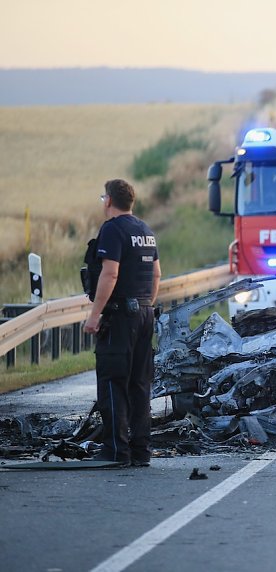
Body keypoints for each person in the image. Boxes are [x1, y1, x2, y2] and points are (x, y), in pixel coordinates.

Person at [83, 179, 160, 468]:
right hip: (144, 314)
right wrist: (146, 305)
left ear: (108, 201)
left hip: (120, 318)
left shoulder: (113, 230)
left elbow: (110, 274)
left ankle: (116, 450)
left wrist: (94, 315)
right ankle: (141, 451)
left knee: (113, 383)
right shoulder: (145, 231)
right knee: (140, 385)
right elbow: (157, 274)